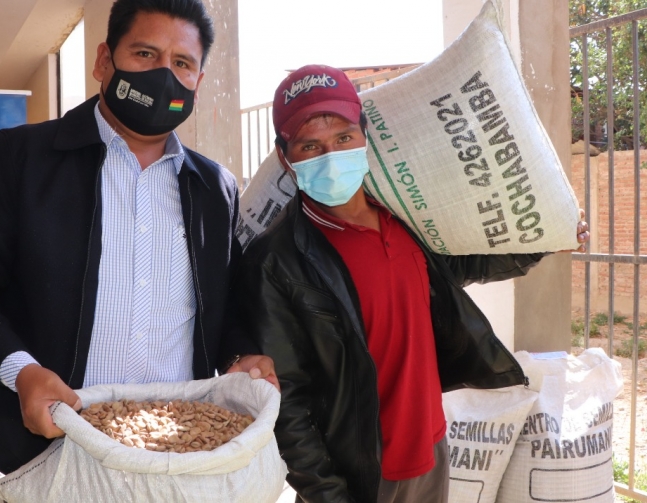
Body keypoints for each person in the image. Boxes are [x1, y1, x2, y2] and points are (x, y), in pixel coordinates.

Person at [0, 0, 275, 475]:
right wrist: (21, 370)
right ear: (103, 61)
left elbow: (226, 308)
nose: (164, 77)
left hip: (174, 454)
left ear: (197, 79)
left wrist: (242, 356)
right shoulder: (22, 159)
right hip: (42, 451)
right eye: (145, 55)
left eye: (182, 64)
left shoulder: (215, 189)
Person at [235, 65, 590, 503]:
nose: (331, 154)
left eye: (343, 138)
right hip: (360, 473)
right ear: (286, 158)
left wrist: (545, 239)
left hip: (432, 449)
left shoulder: (404, 218)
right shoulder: (276, 262)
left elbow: (460, 264)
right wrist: (329, 496)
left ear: (364, 136)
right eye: (311, 146)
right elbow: (288, 403)